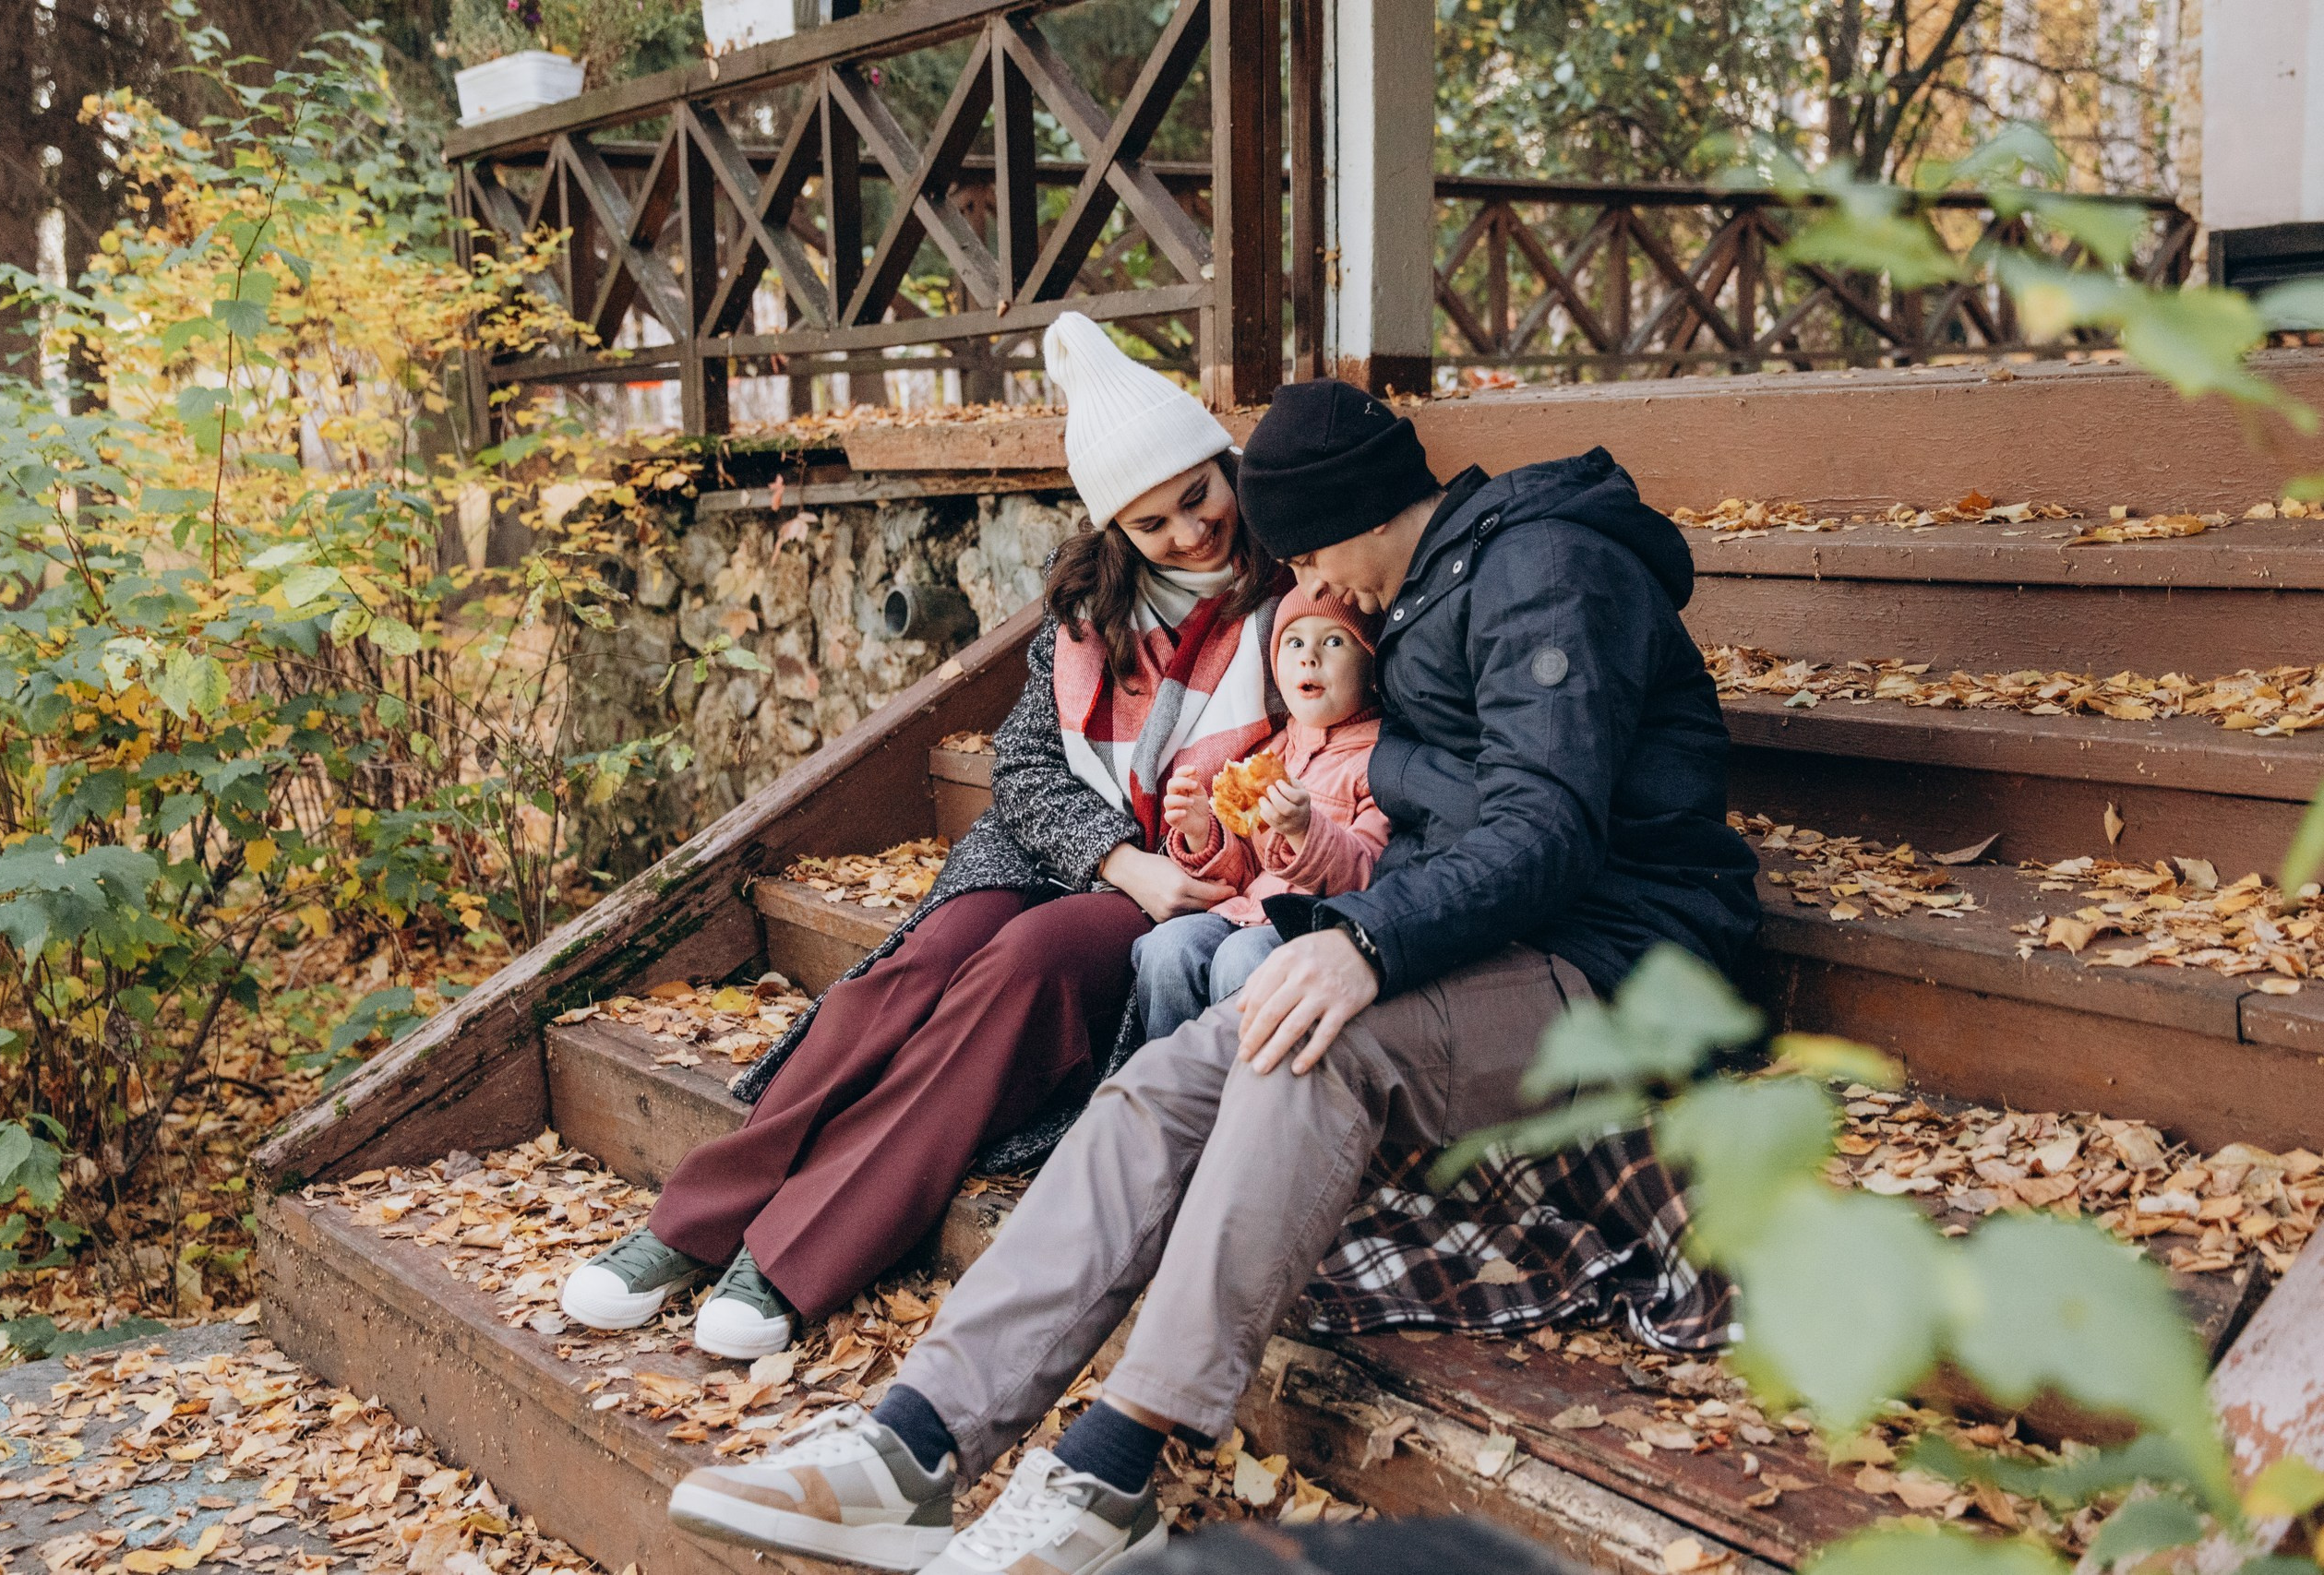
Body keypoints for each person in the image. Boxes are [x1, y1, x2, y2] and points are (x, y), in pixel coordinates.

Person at [665, 382, 1761, 1575]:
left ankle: (1110, 1467)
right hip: (1484, 941)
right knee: (1170, 1075)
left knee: (1308, 1041)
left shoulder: (1551, 570)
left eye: (1296, 550)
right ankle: (914, 1440)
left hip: (1619, 962)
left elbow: (1546, 829)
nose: (1307, 587)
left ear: (1337, 519)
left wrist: (1367, 939)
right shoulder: (1443, 583)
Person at [557, 312, 1286, 1364]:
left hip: (1181, 886)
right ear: (1114, 528)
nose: (1188, 533)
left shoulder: (1285, 603)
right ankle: (692, 1223)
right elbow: (1025, 769)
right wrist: (1113, 855)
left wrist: (1158, 872)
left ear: (1225, 467)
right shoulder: (1090, 610)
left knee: (1020, 967)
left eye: (1197, 495)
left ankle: (801, 1251)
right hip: (1071, 853)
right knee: (913, 968)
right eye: (1152, 520)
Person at [1132, 585, 1388, 1042]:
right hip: (1245, 909)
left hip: (1311, 924)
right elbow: (1244, 867)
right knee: (1167, 947)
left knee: (1242, 958)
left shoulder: (1377, 763)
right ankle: (1168, 1089)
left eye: (1333, 641)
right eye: (1294, 642)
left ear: (1371, 668)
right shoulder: (1275, 752)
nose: (1309, 657)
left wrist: (1307, 832)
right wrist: (1199, 832)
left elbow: (1368, 872)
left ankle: (1247, 1100)